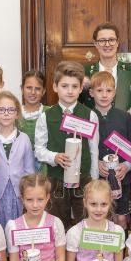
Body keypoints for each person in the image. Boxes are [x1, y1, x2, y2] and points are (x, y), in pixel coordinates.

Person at [35, 61, 100, 228]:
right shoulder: (46, 117)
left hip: (84, 179)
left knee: (85, 223)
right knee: (57, 224)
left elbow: (93, 150)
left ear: (80, 89)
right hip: (56, 180)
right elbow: (39, 150)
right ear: (55, 87)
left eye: (74, 86)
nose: (70, 91)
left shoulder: (90, 115)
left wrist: (94, 180)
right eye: (64, 86)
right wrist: (54, 157)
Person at [92, 71, 131, 229]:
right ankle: (101, 254)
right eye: (99, 91)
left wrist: (126, 166)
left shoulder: (124, 117)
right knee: (99, 217)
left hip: (121, 178)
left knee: (121, 219)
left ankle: (121, 253)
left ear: (115, 93)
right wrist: (95, 163)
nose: (104, 95)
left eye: (109, 91)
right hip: (97, 179)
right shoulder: (87, 117)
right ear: (91, 93)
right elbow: (83, 148)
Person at [0, 91, 35, 228]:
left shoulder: (24, 138)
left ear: (17, 113)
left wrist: (28, 192)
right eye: (1, 110)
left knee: (17, 228)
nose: (6, 113)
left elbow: (29, 169)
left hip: (18, 195)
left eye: (11, 110)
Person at [79, 22, 131, 111]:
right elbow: (76, 102)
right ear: (95, 44)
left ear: (117, 42)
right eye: (102, 41)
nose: (107, 44)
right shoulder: (85, 72)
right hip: (94, 122)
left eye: (111, 40)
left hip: (124, 123)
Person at [18, 70, 48, 172]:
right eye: (29, 88)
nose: (33, 92)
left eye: (38, 89)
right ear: (22, 89)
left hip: (44, 169)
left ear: (43, 91)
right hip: (19, 168)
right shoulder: (14, 113)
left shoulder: (49, 113)